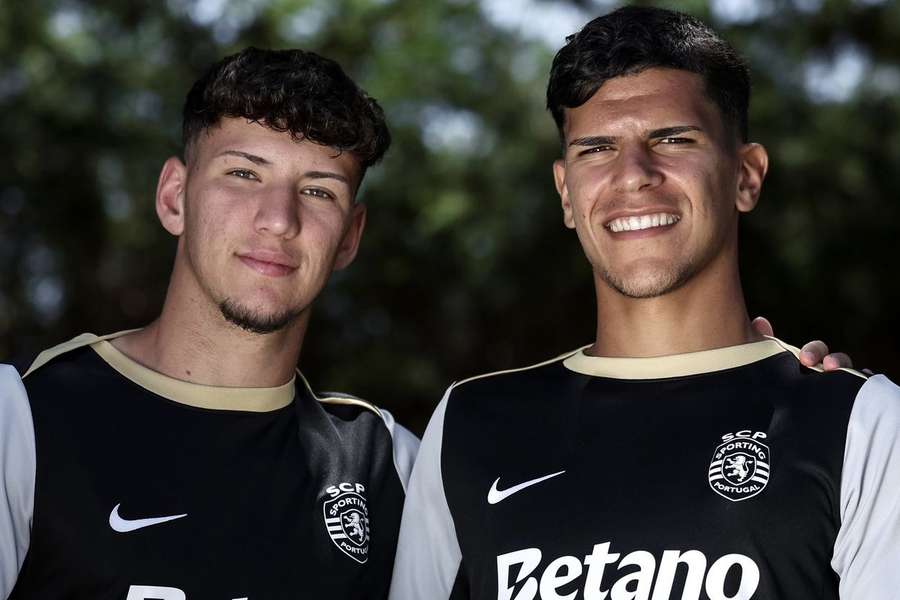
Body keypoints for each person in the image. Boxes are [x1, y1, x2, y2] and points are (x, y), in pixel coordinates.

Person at [389, 6, 898, 600]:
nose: (633, 175)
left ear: (746, 176)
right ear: (566, 195)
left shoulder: (861, 422)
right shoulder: (469, 424)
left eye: (673, 138)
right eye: (597, 149)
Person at [0, 47, 418, 599]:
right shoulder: (23, 416)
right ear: (175, 197)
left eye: (318, 191)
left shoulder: (392, 465)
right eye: (244, 174)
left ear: (349, 236)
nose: (278, 220)